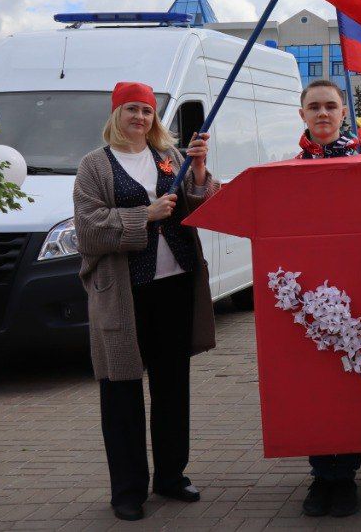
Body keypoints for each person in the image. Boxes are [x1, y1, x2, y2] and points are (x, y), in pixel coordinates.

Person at [73, 82, 218, 522]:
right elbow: (89, 228)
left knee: (173, 388)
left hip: (173, 287)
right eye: (132, 110)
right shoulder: (94, 166)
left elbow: (199, 207)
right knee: (121, 392)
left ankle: (172, 476)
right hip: (123, 294)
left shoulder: (168, 158)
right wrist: (145, 215)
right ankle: (128, 490)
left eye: (147, 111)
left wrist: (198, 171)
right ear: (116, 114)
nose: (140, 118)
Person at [291, 79, 361, 516]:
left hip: (355, 288)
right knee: (316, 384)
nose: (322, 114)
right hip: (308, 292)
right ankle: (322, 477)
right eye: (314, 107)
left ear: (343, 114)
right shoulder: (288, 170)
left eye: (330, 107)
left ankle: (347, 478)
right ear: (302, 114)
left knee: (349, 382)